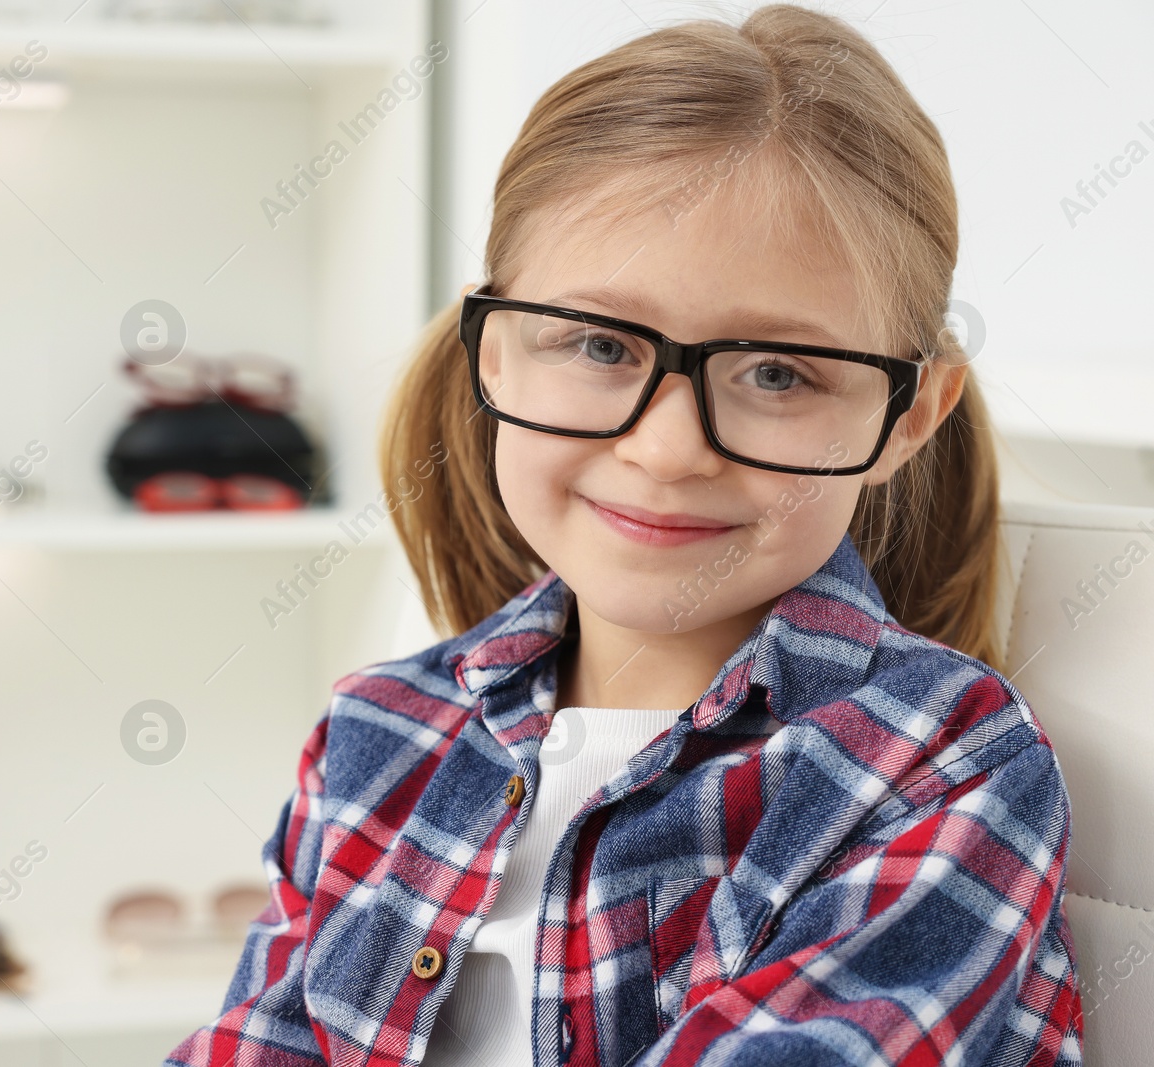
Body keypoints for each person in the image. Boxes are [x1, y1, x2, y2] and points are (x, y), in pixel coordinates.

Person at [166, 5, 1083, 1064]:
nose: (666, 448)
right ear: (495, 354)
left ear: (907, 416)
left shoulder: (942, 768)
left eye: (776, 373)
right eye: (600, 344)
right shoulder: (376, 737)